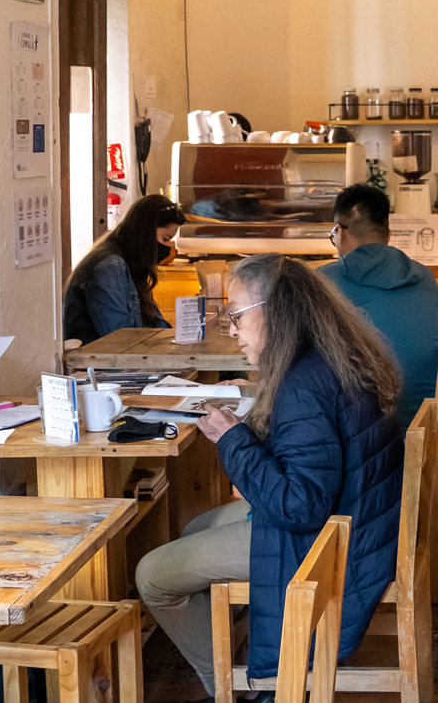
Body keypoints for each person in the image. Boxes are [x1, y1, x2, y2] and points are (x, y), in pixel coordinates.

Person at [136, 254, 404, 698]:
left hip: (327, 542)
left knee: (152, 575)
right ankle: (240, 651)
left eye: (236, 315)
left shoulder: (302, 386)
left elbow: (300, 506)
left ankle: (229, 688)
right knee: (193, 528)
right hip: (361, 521)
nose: (233, 330)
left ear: (277, 313)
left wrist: (233, 438)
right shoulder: (330, 356)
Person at [319, 183, 438, 429]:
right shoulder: (426, 276)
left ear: (339, 233)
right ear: (388, 235)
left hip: (370, 440)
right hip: (426, 425)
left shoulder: (321, 283)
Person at [62, 194, 188, 344]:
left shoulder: (129, 265)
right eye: (165, 239)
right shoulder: (110, 268)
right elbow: (120, 340)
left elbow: (158, 327)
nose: (168, 247)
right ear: (146, 233)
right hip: (104, 364)